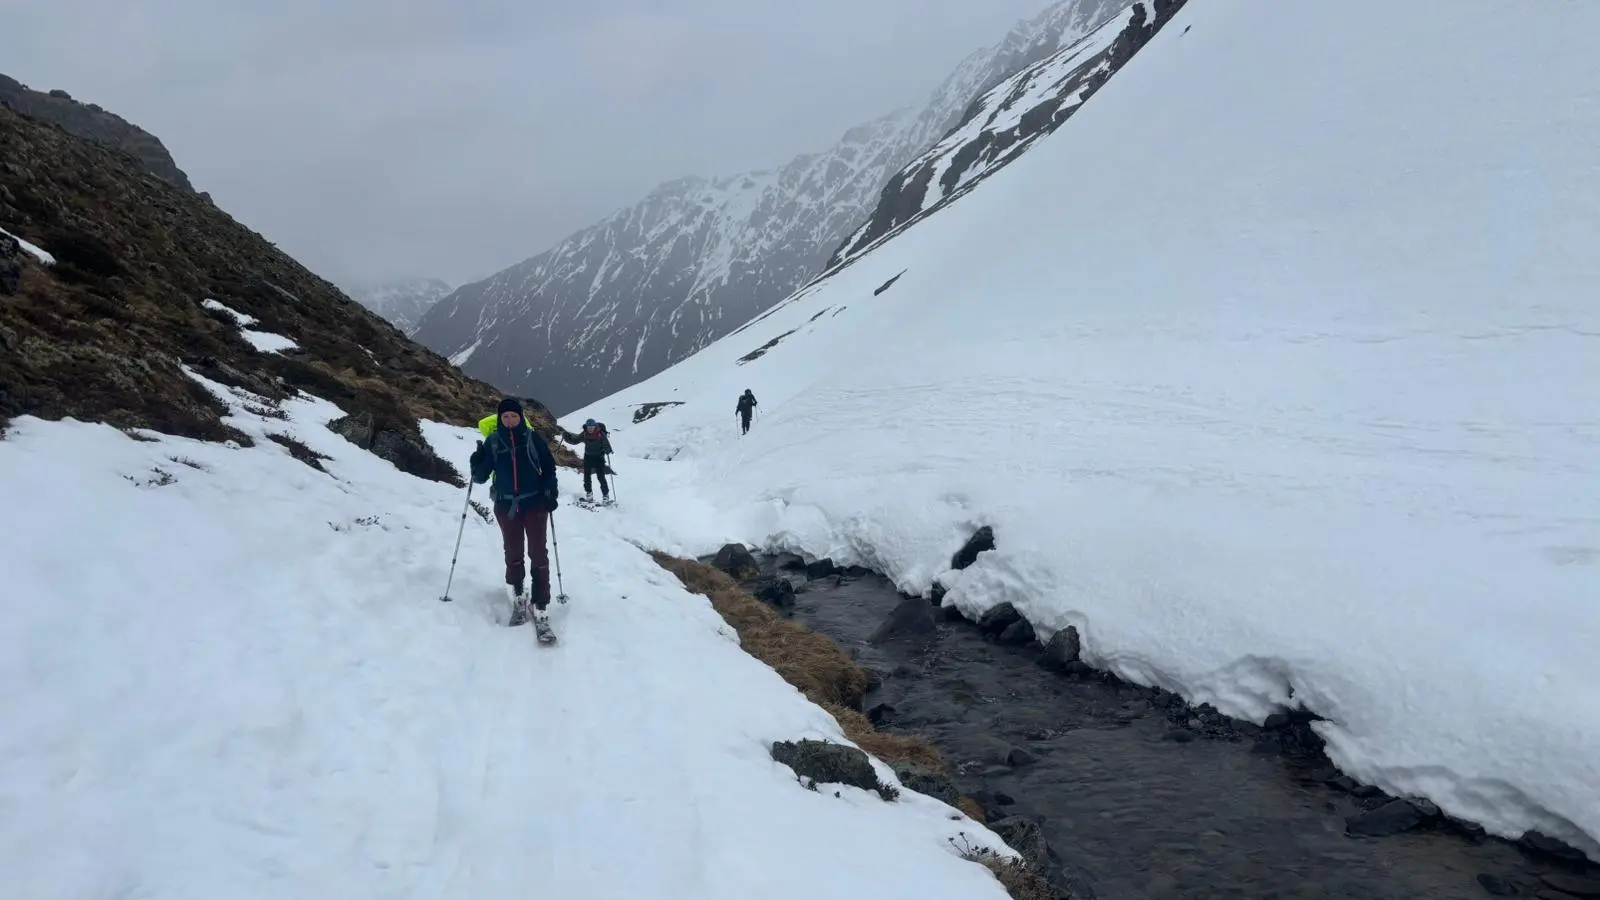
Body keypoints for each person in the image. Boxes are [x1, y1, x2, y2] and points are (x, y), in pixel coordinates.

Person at [469, 398, 559, 628]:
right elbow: (480, 477)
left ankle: (540, 605)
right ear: (500, 419)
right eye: (505, 417)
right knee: (513, 551)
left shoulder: (532, 438)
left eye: (514, 416)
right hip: (506, 506)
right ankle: (518, 592)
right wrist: (476, 462)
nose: (509, 421)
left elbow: (548, 466)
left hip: (535, 503)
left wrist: (550, 491)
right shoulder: (493, 442)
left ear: (521, 418)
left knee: (538, 553)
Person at [560, 418, 614, 504]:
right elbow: (575, 440)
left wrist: (608, 450)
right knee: (586, 477)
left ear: (595, 426)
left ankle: (605, 496)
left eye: (592, 427)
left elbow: (606, 444)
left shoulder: (600, 434)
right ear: (586, 427)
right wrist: (566, 437)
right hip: (588, 457)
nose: (590, 429)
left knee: (601, 477)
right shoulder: (584, 434)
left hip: (599, 458)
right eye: (589, 427)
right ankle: (589, 494)